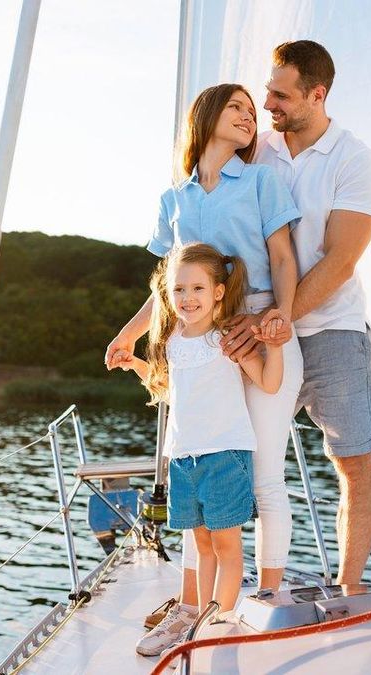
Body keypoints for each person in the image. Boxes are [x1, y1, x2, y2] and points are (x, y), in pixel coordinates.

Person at [104, 83, 302, 656]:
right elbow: (171, 286)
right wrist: (131, 333)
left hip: (258, 331)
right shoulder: (176, 201)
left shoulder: (263, 180)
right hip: (194, 344)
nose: (249, 117)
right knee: (193, 477)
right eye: (237, 107)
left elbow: (285, 258)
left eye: (251, 109)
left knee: (260, 473)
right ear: (208, 117)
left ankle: (257, 603)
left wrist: (279, 321)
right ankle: (194, 608)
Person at [251, 40, 371, 587]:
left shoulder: (355, 159)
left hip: (333, 330)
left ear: (317, 94)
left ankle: (349, 589)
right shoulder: (255, 149)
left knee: (353, 463)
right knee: (241, 459)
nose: (268, 104)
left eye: (280, 95)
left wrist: (278, 318)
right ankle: (239, 583)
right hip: (260, 330)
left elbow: (341, 262)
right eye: (267, 91)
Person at [114, 243, 283, 656]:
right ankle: (198, 619)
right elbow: (171, 390)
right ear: (167, 296)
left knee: (227, 548)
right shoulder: (172, 339)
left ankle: (218, 624)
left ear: (218, 293)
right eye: (178, 291)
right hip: (184, 459)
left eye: (197, 289)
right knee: (202, 545)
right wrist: (134, 364)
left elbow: (269, 383)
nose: (187, 298)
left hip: (224, 456)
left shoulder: (227, 337)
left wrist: (275, 346)